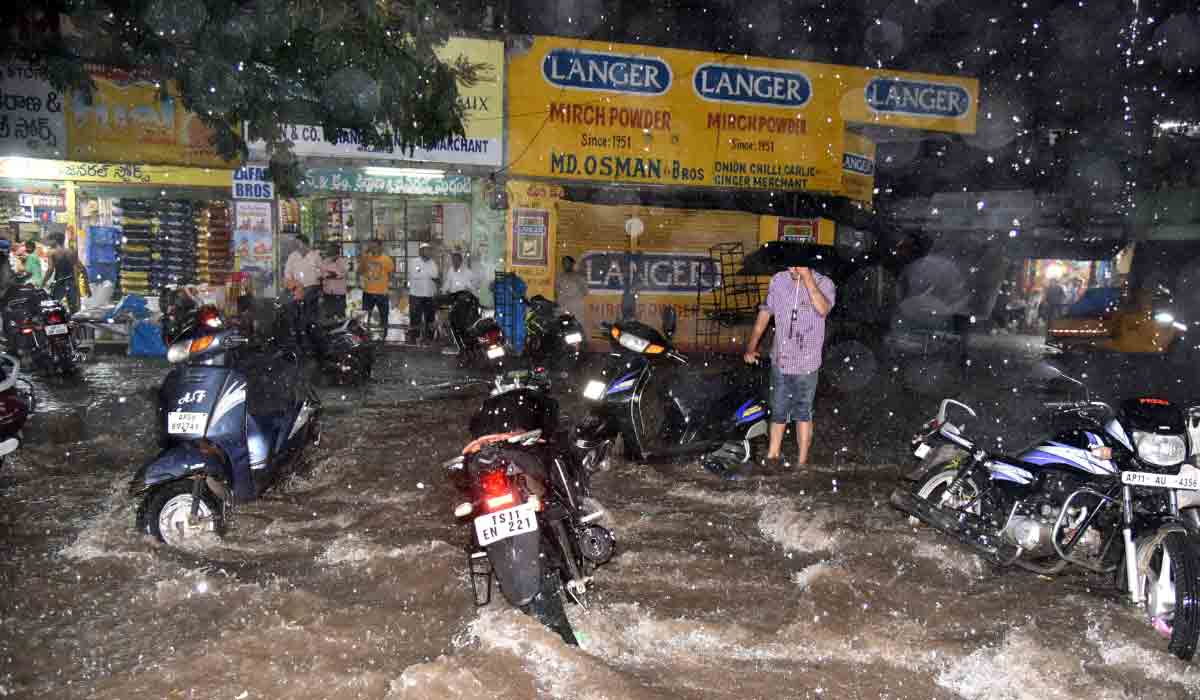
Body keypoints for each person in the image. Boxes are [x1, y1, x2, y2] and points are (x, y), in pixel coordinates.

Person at [743, 265, 836, 471]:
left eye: (797, 265)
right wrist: (752, 346)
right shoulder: (779, 280)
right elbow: (765, 313)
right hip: (781, 360)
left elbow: (823, 309)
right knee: (778, 410)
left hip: (807, 362)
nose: (792, 269)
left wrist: (807, 278)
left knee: (803, 412)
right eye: (790, 264)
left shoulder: (824, 283)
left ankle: (802, 463)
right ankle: (772, 455)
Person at [283, 234, 322, 348]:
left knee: (310, 317)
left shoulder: (315, 256)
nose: (296, 245)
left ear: (305, 243)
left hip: (312, 289)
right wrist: (293, 284)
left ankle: (312, 342)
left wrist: (317, 277)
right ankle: (299, 341)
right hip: (297, 289)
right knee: (297, 315)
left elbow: (321, 270)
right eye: (295, 243)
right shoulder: (293, 256)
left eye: (298, 242)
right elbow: (287, 273)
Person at [360, 240, 394, 340]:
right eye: (371, 246)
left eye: (375, 246)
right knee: (366, 318)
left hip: (382, 293)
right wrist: (364, 256)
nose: (373, 249)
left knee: (384, 318)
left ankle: (383, 338)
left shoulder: (386, 259)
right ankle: (366, 338)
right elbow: (359, 271)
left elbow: (391, 275)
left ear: (380, 247)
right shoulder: (366, 258)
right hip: (368, 293)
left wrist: (392, 290)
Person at [45, 233, 84, 312]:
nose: (49, 243)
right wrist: (86, 286)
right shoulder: (72, 252)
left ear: (55, 241)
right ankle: (73, 323)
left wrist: (43, 282)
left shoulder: (51, 252)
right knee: (74, 308)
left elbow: (50, 269)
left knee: (53, 305)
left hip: (60, 282)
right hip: (72, 282)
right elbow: (81, 268)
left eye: (50, 240)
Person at [408, 243, 439, 343]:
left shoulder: (433, 263)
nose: (428, 252)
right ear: (420, 251)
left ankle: (429, 339)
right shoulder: (414, 262)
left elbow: (435, 275)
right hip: (416, 295)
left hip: (429, 295)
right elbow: (415, 274)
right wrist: (428, 274)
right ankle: (414, 339)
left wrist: (425, 273)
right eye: (425, 250)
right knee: (415, 318)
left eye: (429, 250)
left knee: (430, 318)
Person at [320, 242, 348, 320]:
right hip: (327, 293)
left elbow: (341, 274)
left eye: (330, 248)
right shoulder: (325, 261)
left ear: (337, 250)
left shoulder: (343, 261)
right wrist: (332, 274)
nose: (328, 250)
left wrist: (331, 274)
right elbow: (323, 274)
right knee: (328, 317)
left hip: (339, 294)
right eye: (328, 248)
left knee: (341, 316)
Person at [555, 255, 587, 321]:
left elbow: (585, 291)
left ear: (572, 264)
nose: (565, 265)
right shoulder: (560, 277)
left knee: (576, 327)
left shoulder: (579, 277)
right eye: (563, 263)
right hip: (563, 307)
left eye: (567, 262)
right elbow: (557, 291)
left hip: (576, 308)